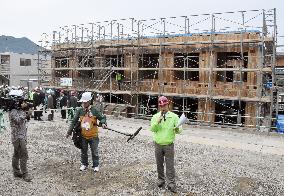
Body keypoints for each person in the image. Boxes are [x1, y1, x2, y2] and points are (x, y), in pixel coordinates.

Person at [66, 92, 107, 172]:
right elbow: (74, 121)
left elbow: (102, 118)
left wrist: (103, 123)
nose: (83, 103)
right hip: (83, 135)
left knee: (94, 151)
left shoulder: (94, 110)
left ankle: (96, 165)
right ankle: (84, 164)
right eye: (82, 102)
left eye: (85, 102)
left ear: (89, 101)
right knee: (83, 151)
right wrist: (69, 132)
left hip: (93, 136)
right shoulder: (80, 111)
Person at [150, 96, 182, 193]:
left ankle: (171, 184)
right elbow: (153, 129)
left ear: (168, 104)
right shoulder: (155, 117)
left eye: (164, 105)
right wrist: (157, 122)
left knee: (170, 165)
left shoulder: (174, 116)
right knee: (159, 164)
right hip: (158, 144)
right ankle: (161, 180)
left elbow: (179, 129)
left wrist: (177, 129)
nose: (163, 107)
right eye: (161, 106)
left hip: (168, 144)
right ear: (159, 106)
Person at [9, 94, 32, 182]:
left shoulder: (20, 110)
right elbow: (18, 121)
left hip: (21, 135)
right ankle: (25, 173)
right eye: (23, 102)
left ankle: (16, 171)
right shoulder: (13, 111)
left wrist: (28, 113)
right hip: (17, 136)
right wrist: (25, 115)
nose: (25, 103)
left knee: (16, 154)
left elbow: (25, 120)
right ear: (18, 103)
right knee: (24, 154)